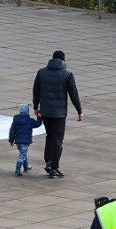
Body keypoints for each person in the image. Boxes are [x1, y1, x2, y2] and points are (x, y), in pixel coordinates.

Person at [33, 50, 83, 178]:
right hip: (59, 114)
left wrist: (35, 106)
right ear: (63, 60)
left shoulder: (42, 72)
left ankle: (48, 161)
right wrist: (79, 111)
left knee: (49, 136)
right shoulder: (67, 75)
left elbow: (36, 90)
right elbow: (74, 94)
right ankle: (53, 166)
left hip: (45, 112)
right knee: (57, 140)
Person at [8, 104, 42, 176]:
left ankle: (26, 166)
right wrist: (39, 116)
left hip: (18, 142)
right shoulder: (30, 121)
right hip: (25, 141)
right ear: (27, 112)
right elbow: (38, 124)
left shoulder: (15, 121)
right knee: (22, 155)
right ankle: (18, 168)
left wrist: (11, 140)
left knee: (23, 153)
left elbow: (12, 131)